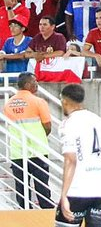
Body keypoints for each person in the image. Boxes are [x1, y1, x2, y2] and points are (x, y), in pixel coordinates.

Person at [57, 83, 101, 227]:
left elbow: (71, 160)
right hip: (100, 190)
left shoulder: (68, 123)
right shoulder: (99, 121)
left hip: (77, 190)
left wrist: (64, 195)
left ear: (64, 101)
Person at [3, 72, 53, 209]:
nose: (37, 84)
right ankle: (47, 214)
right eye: (34, 82)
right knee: (42, 186)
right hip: (37, 150)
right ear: (27, 85)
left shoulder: (9, 104)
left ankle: (25, 214)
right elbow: (47, 125)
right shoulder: (38, 102)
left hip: (17, 151)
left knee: (21, 187)